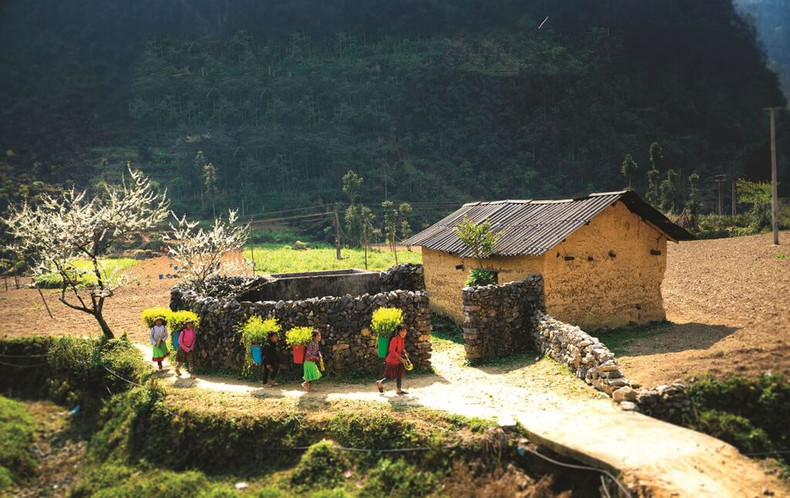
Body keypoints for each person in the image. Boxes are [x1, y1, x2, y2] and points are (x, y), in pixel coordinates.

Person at [376, 324, 409, 395]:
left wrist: (405, 354)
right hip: (392, 361)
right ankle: (380, 382)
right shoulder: (395, 339)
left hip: (398, 360)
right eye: (402, 331)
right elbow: (392, 351)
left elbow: (401, 348)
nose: (404, 333)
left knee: (399, 375)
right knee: (391, 376)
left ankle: (399, 390)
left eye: (405, 331)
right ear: (398, 332)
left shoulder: (402, 339)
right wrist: (400, 358)